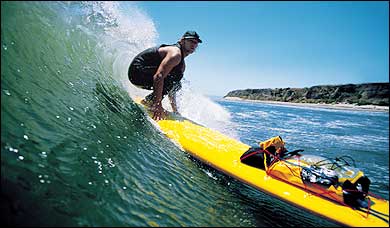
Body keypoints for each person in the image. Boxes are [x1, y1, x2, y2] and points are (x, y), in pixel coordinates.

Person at [128, 31, 202, 120]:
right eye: (191, 41)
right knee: (170, 78)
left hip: (145, 74)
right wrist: (158, 104)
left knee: (177, 82)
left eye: (196, 43)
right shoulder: (175, 54)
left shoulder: (182, 64)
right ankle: (151, 102)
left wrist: (175, 110)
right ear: (182, 41)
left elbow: (172, 87)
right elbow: (158, 76)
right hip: (137, 73)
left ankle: (150, 101)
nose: (194, 45)